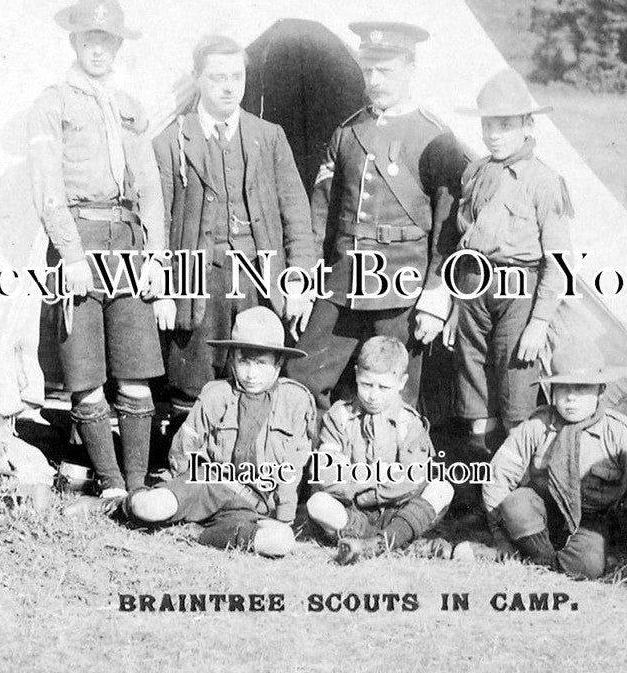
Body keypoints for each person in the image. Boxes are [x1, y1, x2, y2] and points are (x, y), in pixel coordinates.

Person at [285, 21, 468, 416]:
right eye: (369, 70)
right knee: (303, 380)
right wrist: (302, 280)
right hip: (342, 281)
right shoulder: (349, 131)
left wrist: (436, 295)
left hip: (401, 286)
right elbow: (321, 215)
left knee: (397, 393)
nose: (375, 80)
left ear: (410, 68)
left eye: (386, 70)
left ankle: (393, 475)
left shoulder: (435, 138)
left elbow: (448, 226)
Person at [27, 0, 166, 501]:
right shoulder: (52, 103)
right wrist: (71, 255)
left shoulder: (131, 107)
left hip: (127, 239)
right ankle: (109, 486)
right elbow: (46, 190)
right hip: (79, 240)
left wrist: (155, 257)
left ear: (118, 46)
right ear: (75, 41)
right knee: (84, 372)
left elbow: (150, 187)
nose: (98, 48)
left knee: (134, 372)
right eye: (89, 38)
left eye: (107, 39)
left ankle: (136, 486)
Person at [152, 35, 315, 410]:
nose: (229, 87)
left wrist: (299, 282)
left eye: (237, 76)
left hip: (260, 279)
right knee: (194, 388)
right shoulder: (171, 141)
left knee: (257, 377)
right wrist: (162, 288)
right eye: (217, 77)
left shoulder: (269, 137)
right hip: (199, 282)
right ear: (196, 79)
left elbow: (297, 216)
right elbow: (157, 223)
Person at [456, 341, 627, 580]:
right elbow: (498, 476)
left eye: (581, 388)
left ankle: (518, 561)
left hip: (589, 521)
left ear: (600, 390)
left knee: (588, 565)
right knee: (515, 503)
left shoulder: (621, 434)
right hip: (540, 516)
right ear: (552, 392)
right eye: (563, 388)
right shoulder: (538, 424)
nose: (570, 398)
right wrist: (500, 536)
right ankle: (540, 559)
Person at [448, 68, 571, 458]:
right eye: (488, 125)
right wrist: (455, 303)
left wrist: (539, 321)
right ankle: (477, 473)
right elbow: (462, 240)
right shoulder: (476, 173)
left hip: (518, 290)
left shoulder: (544, 180)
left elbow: (559, 263)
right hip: (472, 285)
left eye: (505, 125)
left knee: (515, 384)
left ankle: (516, 486)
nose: (494, 134)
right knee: (473, 382)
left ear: (527, 125)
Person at [125, 307, 313, 557]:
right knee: (149, 507)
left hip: (251, 506)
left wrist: (285, 518)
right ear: (233, 358)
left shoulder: (296, 401)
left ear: (278, 364)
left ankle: (195, 533)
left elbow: (292, 468)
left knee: (280, 541)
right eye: (243, 361)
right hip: (209, 485)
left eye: (261, 363)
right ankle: (120, 506)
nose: (250, 373)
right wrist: (176, 492)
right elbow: (184, 450)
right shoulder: (216, 394)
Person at [306, 336, 454, 563]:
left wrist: (358, 484)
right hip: (354, 513)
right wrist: (379, 481)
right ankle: (399, 542)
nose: (373, 395)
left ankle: (374, 544)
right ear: (356, 374)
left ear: (402, 383)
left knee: (442, 488)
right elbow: (328, 478)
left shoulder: (410, 423)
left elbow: (411, 481)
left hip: (398, 511)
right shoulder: (339, 416)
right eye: (366, 384)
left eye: (384, 387)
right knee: (317, 505)